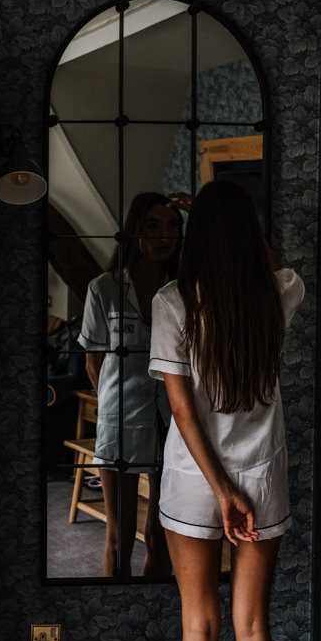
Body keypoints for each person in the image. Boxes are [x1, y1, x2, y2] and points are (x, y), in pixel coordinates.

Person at [148, 180, 304, 641]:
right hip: (263, 474)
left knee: (199, 623)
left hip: (194, 480)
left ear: (198, 237)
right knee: (252, 625)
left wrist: (217, 490)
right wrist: (231, 218)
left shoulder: (173, 301)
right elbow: (268, 259)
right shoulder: (280, 291)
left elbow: (182, 409)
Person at [78, 191, 187, 579]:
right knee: (119, 536)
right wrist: (115, 402)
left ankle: (150, 612)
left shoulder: (186, 290)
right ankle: (117, 609)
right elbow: (93, 359)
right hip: (121, 417)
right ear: (135, 232)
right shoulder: (105, 288)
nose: (163, 236)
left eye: (172, 227)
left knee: (163, 532)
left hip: (174, 419)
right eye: (152, 226)